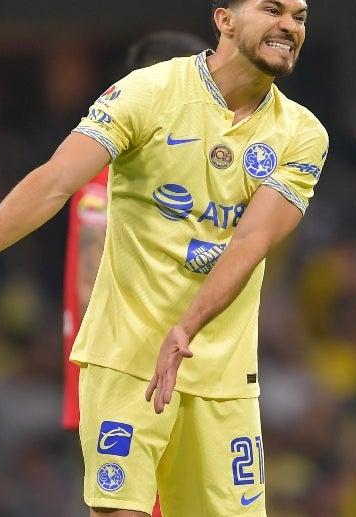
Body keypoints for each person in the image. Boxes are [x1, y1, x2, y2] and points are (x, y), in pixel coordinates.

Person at [0, 0, 327, 517]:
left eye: (299, 16)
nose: (289, 26)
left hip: (223, 375)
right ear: (224, 20)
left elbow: (251, 241)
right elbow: (56, 181)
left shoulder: (302, 133)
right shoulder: (148, 92)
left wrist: (187, 326)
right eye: (272, 9)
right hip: (127, 358)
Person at [62, 30, 210, 433]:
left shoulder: (171, 172)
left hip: (168, 379)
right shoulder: (109, 176)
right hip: (128, 385)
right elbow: (90, 286)